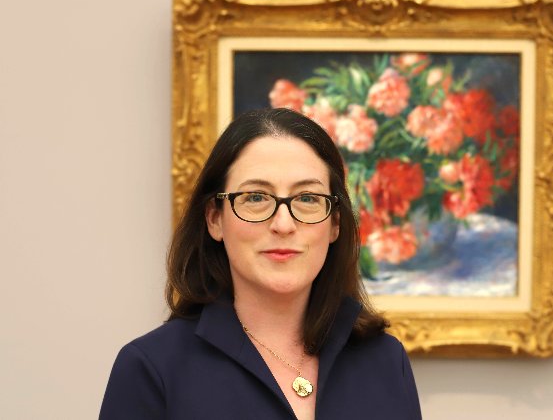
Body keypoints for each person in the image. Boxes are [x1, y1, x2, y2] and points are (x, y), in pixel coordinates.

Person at [99, 108, 422, 419]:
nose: (283, 224)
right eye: (255, 197)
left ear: (335, 223)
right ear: (215, 219)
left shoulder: (386, 361)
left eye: (307, 198)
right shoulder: (152, 369)